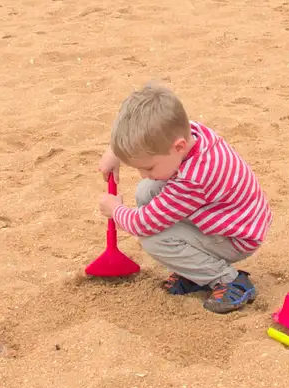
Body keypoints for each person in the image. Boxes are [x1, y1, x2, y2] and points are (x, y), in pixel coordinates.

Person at [97, 82, 270, 314]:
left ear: (178, 147)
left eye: (148, 166)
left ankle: (229, 280)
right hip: (221, 217)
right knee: (146, 190)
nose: (143, 173)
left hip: (236, 236)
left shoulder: (194, 179)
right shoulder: (189, 132)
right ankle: (194, 271)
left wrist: (115, 210)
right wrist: (117, 151)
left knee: (153, 238)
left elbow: (143, 223)